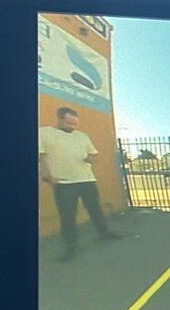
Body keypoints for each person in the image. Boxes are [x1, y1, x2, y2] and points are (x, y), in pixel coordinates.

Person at [38, 107, 120, 260]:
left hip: (87, 180)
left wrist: (91, 159)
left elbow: (94, 155)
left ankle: (104, 233)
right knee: (68, 215)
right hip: (64, 183)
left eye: (75, 123)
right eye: (70, 122)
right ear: (60, 118)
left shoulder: (82, 136)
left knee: (95, 209)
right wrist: (47, 177)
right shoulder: (44, 133)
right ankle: (71, 246)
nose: (73, 126)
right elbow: (40, 156)